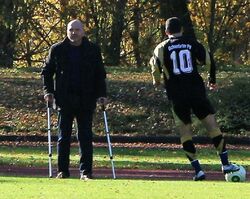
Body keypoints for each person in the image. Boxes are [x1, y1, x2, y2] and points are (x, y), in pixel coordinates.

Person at [150, 17, 239, 181]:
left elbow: (154, 66)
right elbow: (208, 59)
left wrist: (157, 81)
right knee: (212, 126)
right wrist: (212, 80)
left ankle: (198, 170)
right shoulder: (191, 43)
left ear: (166, 32)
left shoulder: (161, 48)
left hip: (176, 95)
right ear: (182, 30)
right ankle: (225, 164)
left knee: (185, 132)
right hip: (196, 92)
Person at [41, 19, 107, 180]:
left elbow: (100, 74)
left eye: (77, 30)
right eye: (71, 30)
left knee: (85, 136)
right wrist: (48, 92)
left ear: (83, 32)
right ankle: (62, 171)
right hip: (64, 99)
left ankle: (86, 172)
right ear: (67, 31)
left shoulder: (92, 50)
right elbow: (47, 72)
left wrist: (102, 95)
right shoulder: (57, 49)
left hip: (86, 98)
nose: (74, 33)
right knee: (64, 137)